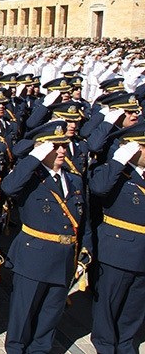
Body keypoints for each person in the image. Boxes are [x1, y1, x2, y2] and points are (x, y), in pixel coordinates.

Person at [1, 121, 92, 354]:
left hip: (64, 259)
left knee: (50, 315)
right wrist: (34, 157)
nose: (61, 150)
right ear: (41, 148)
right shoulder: (30, 177)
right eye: (55, 146)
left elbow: (85, 221)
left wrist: (85, 253)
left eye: (63, 146)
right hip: (34, 256)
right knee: (23, 315)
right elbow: (9, 188)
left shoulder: (74, 179)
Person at [87, 122, 145, 354]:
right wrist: (119, 160)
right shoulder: (113, 172)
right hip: (118, 250)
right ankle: (105, 345)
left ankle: (125, 344)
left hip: (142, 253)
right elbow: (99, 188)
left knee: (135, 305)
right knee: (109, 304)